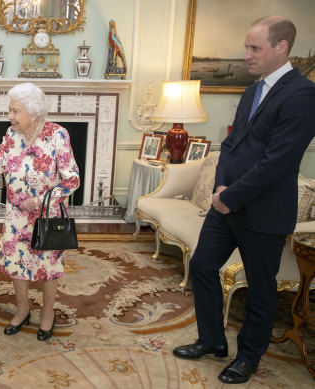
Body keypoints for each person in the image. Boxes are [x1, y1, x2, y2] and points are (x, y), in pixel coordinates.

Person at [173, 16, 315, 384]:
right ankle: (212, 341)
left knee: (261, 289)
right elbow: (233, 144)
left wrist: (231, 196)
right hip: (227, 206)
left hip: (264, 211)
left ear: (281, 47)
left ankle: (249, 356)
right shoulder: (253, 91)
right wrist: (221, 189)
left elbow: (278, 161)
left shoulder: (303, 94)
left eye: (255, 48)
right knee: (203, 266)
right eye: (247, 47)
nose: (246, 55)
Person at [0, 83, 80, 341]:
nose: (10, 117)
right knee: (17, 264)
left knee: (48, 267)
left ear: (33, 112)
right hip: (17, 216)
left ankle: (47, 313)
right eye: (10, 111)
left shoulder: (57, 135)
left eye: (16, 111)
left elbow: (72, 180)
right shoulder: (11, 135)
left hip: (47, 215)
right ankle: (22, 310)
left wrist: (40, 201)